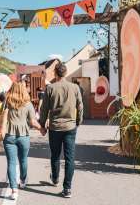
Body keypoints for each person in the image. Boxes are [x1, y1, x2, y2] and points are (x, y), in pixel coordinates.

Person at [39, 63, 83, 198]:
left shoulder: (50, 88)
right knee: (70, 158)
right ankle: (67, 188)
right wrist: (78, 121)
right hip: (70, 127)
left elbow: (44, 109)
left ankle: (55, 178)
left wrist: (42, 125)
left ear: (55, 73)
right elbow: (80, 106)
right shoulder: (75, 87)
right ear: (65, 72)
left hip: (55, 128)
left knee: (55, 155)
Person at [0, 82, 43, 200]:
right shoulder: (28, 104)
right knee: (23, 160)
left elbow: (1, 117)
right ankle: (23, 181)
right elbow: (33, 122)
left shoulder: (7, 102)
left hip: (9, 137)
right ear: (23, 90)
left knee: (11, 163)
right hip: (24, 137)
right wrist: (41, 129)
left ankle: (14, 190)